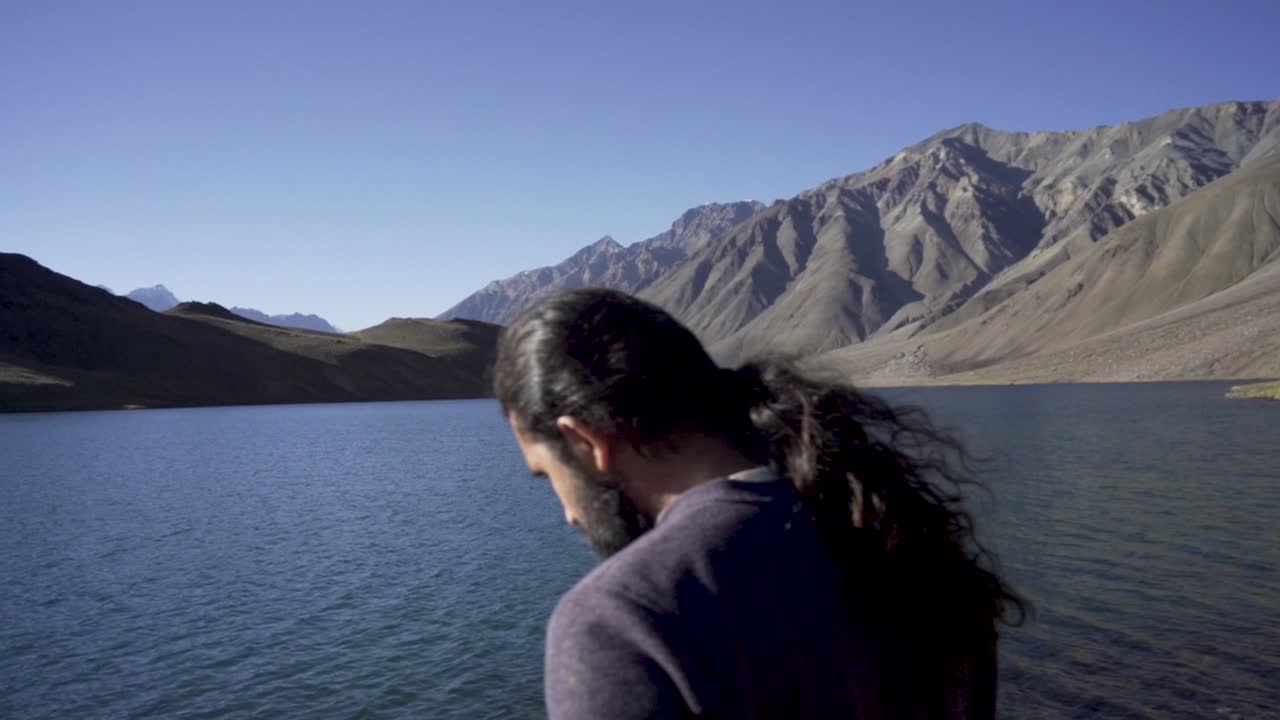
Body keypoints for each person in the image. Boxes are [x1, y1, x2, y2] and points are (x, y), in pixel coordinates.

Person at [494, 288, 1024, 719]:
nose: (567, 513)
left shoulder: (619, 621)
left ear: (586, 443)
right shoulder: (904, 541)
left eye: (548, 476)